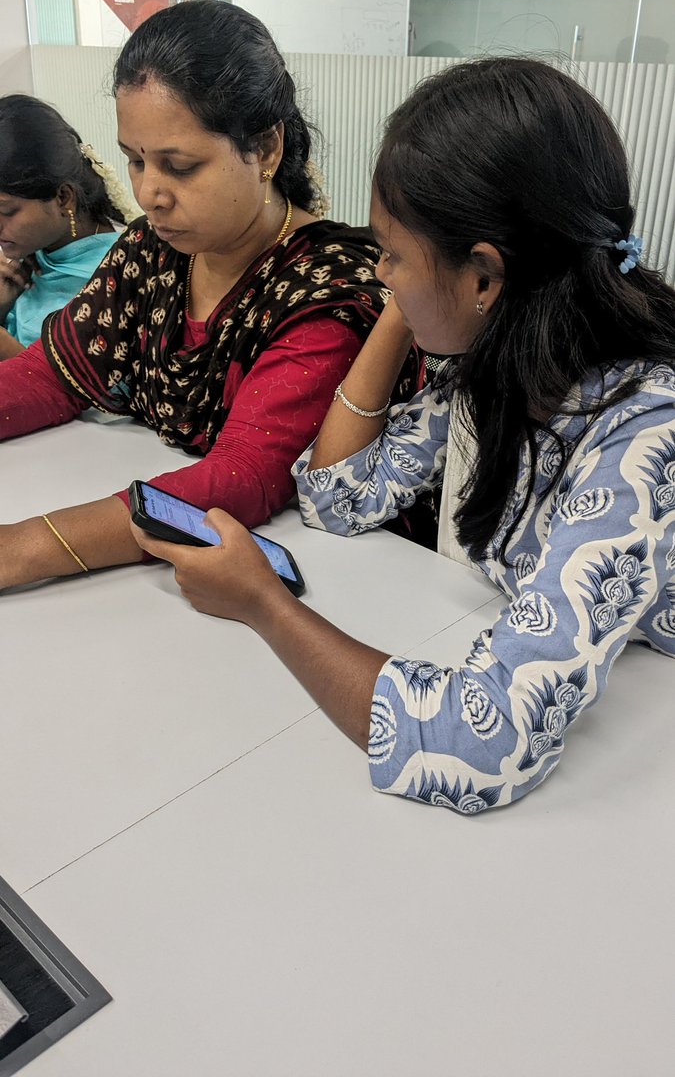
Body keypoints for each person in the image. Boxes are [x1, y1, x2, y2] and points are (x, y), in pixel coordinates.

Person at [132, 57, 675, 816]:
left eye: (390, 252)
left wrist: (263, 604)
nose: (377, 272)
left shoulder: (645, 433)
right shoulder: (503, 363)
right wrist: (407, 303)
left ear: (486, 276)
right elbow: (337, 495)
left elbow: (481, 747)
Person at [0, 0, 416, 590]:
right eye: (135, 161)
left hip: (319, 581)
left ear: (265, 149)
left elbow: (243, 475)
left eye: (179, 166)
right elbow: (53, 374)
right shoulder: (154, 250)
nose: (148, 193)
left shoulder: (327, 292)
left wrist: (23, 548)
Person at [0, 94, 135, 360]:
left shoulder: (122, 274)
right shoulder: (30, 259)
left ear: (63, 198)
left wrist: (7, 351)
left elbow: (103, 398)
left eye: (6, 211)